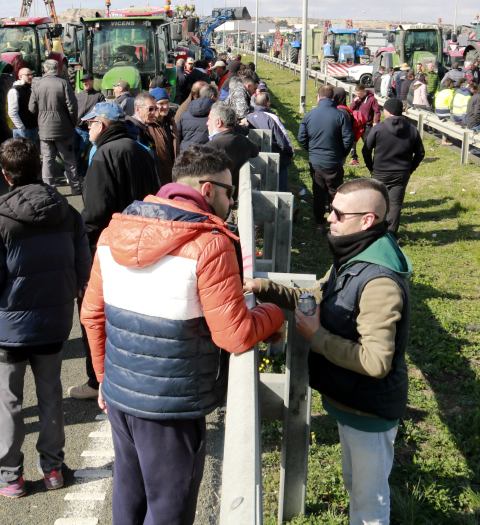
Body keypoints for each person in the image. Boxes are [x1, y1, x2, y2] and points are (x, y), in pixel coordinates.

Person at [80, 145, 285, 525]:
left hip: (121, 395)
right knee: (169, 509)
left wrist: (105, 381)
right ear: (207, 190)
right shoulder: (209, 242)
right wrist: (273, 315)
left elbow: (91, 315)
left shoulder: (115, 232)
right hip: (171, 406)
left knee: (129, 494)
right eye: (228, 192)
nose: (231, 201)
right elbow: (235, 334)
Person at [242, 178, 412, 525]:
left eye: (337, 213)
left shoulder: (379, 281)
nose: (328, 217)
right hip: (350, 403)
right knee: (355, 486)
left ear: (367, 220)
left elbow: (376, 361)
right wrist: (263, 287)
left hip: (368, 412)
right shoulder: (353, 257)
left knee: (369, 507)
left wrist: (316, 336)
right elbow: (313, 299)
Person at [0, 138, 92, 497]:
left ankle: (10, 476)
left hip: (8, 326)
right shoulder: (67, 212)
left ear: (5, 176)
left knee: (9, 400)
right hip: (54, 320)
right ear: (39, 168)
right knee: (51, 393)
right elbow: (84, 269)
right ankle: (54, 468)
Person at [70, 102, 161, 401]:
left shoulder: (104, 155)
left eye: (91, 124)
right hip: (144, 241)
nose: (88, 130)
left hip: (110, 246)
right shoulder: (141, 150)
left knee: (94, 313)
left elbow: (95, 211)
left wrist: (81, 243)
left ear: (104, 124)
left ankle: (97, 381)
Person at [362, 98, 425, 238]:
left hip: (380, 172)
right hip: (401, 173)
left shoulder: (378, 128)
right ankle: (390, 236)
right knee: (395, 205)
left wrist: (371, 167)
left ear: (388, 111)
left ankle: (374, 234)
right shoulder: (411, 129)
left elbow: (366, 150)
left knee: (377, 202)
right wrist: (410, 169)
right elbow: (420, 153)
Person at [298, 84, 355, 235]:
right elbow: (348, 139)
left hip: (316, 162)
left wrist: (312, 150)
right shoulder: (340, 115)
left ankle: (319, 224)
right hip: (334, 161)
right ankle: (335, 222)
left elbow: (301, 138)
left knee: (318, 192)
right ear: (332, 98)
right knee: (335, 193)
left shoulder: (309, 116)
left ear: (318, 97)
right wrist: (342, 154)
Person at [30, 59, 81, 192]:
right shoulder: (63, 83)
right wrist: (72, 122)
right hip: (64, 129)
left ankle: (49, 188)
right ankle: (75, 187)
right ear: (58, 69)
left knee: (47, 159)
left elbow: (31, 107)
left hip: (45, 129)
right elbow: (72, 106)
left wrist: (41, 117)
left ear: (45, 70)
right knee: (68, 159)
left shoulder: (38, 85)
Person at [245, 91, 295, 192]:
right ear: (267, 103)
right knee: (280, 186)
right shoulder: (272, 118)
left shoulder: (248, 118)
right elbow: (283, 139)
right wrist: (290, 152)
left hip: (256, 157)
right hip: (276, 158)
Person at [207, 101, 260, 191]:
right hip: (234, 194)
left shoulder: (210, 147)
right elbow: (256, 151)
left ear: (218, 122)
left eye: (209, 119)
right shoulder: (243, 141)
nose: (207, 123)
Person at [74, 73, 105, 175]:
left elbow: (101, 112)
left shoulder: (99, 96)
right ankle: (78, 174)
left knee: (82, 154)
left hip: (87, 130)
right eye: (83, 82)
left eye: (87, 81)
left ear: (92, 81)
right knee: (74, 152)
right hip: (75, 129)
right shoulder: (77, 96)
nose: (85, 83)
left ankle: (78, 173)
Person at [147, 87, 178, 185]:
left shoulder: (171, 122)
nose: (165, 106)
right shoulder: (148, 126)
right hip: (157, 179)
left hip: (171, 175)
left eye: (167, 103)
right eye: (161, 104)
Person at [178, 84, 217, 150]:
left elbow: (177, 137)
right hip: (205, 155)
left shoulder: (184, 114)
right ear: (212, 97)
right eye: (218, 97)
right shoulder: (215, 116)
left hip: (185, 154)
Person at [7, 68, 37, 140]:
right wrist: (22, 128)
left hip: (32, 128)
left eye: (31, 75)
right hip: (23, 131)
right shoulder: (14, 91)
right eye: (27, 75)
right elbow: (12, 112)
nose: (30, 77)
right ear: (20, 76)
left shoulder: (29, 90)